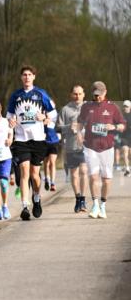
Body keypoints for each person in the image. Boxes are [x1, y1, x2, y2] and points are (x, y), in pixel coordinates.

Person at [6, 66, 57, 221]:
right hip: (21, 140)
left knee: (35, 176)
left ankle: (36, 197)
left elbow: (53, 115)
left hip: (38, 140)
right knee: (24, 172)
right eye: (24, 75)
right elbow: (9, 116)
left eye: (29, 75)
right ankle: (24, 206)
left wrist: (45, 119)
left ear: (34, 77)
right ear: (21, 78)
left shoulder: (41, 94)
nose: (27, 77)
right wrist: (11, 121)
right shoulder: (16, 95)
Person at [74, 81, 127, 219]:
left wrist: (114, 127)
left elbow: (122, 125)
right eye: (95, 95)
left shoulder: (112, 107)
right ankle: (95, 204)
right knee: (92, 175)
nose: (97, 97)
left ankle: (103, 205)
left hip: (107, 147)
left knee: (107, 179)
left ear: (105, 92)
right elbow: (79, 122)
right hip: (90, 146)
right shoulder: (86, 107)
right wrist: (79, 134)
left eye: (100, 95)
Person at [57, 85, 89, 213]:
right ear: (71, 95)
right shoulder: (65, 109)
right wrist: (69, 127)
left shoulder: (89, 108)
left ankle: (83, 199)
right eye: (75, 94)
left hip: (86, 145)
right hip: (71, 146)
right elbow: (57, 128)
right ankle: (78, 198)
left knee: (84, 170)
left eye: (80, 94)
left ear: (84, 94)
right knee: (74, 174)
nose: (77, 96)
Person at [120, 100, 131, 175]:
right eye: (124, 106)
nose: (125, 108)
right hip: (124, 136)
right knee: (125, 150)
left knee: (130, 153)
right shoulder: (121, 116)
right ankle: (127, 168)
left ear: (130, 107)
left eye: (127, 106)